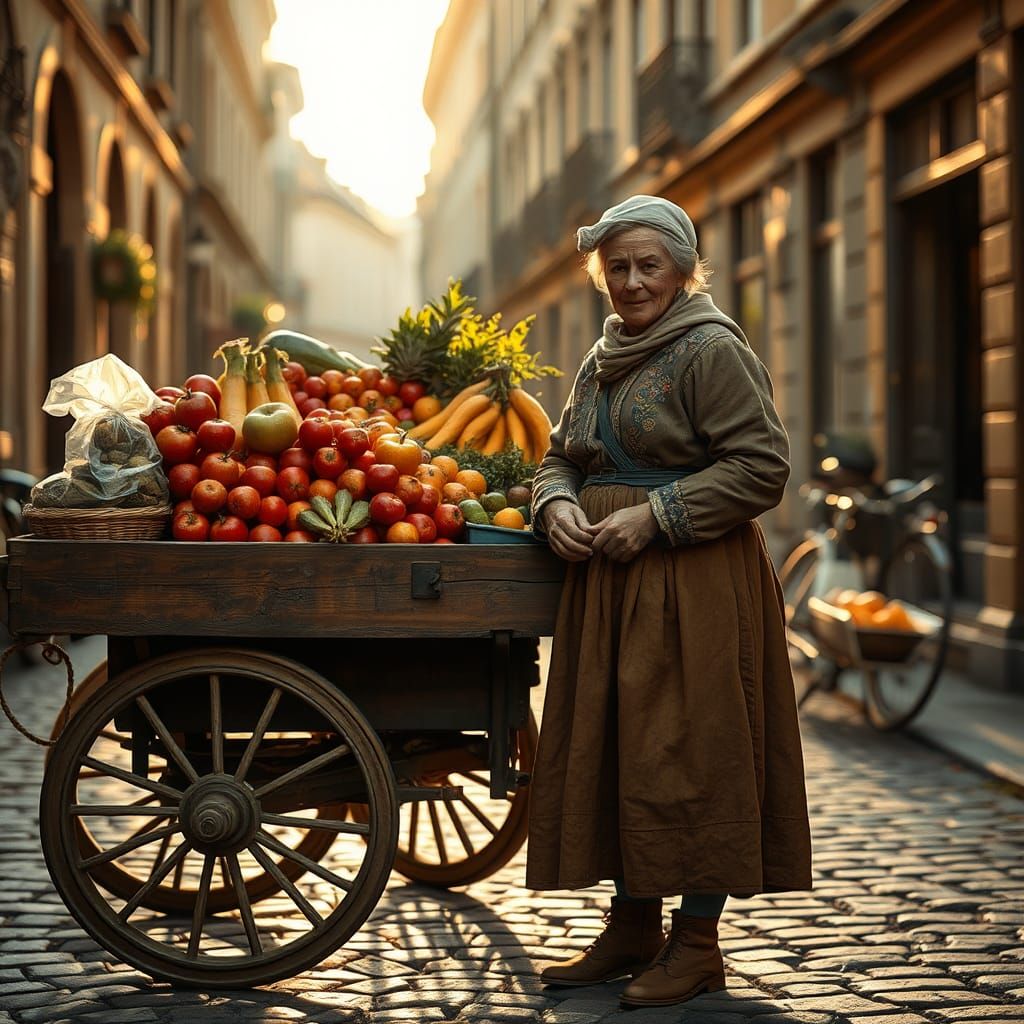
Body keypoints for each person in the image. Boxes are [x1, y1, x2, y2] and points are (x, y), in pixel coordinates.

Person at [526, 195, 813, 1009]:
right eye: (616, 267)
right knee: (624, 748)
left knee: (691, 751)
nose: (631, 282)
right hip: (610, 589)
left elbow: (762, 465)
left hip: (694, 584)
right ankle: (631, 924)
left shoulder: (711, 349)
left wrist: (654, 518)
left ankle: (696, 943)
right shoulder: (602, 354)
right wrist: (556, 506)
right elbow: (560, 457)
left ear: (685, 269)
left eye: (648, 264)